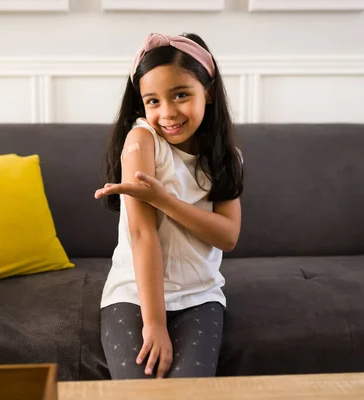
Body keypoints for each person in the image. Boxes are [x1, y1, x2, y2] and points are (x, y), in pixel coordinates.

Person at [94, 32, 243, 380]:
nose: (167, 113)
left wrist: (163, 200)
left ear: (207, 91)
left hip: (200, 296)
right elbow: (142, 233)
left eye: (180, 95)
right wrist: (154, 323)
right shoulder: (142, 139)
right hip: (133, 294)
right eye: (153, 101)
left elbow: (228, 236)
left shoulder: (227, 158)